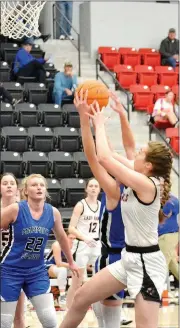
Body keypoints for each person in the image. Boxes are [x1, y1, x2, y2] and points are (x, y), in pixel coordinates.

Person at [59, 91, 173, 328]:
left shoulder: (148, 184)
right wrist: (86, 118)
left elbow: (105, 158)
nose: (136, 153)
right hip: (128, 258)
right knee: (80, 299)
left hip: (146, 263)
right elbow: (104, 154)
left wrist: (99, 123)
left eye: (142, 154)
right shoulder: (139, 176)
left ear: (149, 165)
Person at [69, 90, 135, 328]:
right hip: (122, 255)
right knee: (103, 312)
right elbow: (130, 147)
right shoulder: (140, 183)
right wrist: (122, 116)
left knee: (108, 318)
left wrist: (86, 120)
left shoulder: (117, 190)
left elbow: (93, 156)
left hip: (115, 256)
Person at [0, 173, 79, 328]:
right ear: (26, 191)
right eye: (34, 185)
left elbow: (62, 238)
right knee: (4, 322)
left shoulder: (53, 212)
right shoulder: (15, 209)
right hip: (10, 270)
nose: (39, 188)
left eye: (42, 185)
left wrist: (71, 262)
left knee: (49, 320)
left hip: (36, 271)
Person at [66, 178, 101, 309]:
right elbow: (71, 228)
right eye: (91, 186)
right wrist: (85, 238)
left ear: (99, 189)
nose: (93, 188)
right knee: (77, 282)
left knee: (99, 281)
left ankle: (99, 309)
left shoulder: (101, 205)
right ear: (86, 189)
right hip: (82, 245)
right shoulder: (81, 205)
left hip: (96, 244)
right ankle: (68, 309)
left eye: (96, 186)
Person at [0, 173, 26, 328]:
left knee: (19, 314)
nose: (9, 185)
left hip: (17, 265)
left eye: (12, 183)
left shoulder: (25, 208)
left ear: (17, 188)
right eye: (5, 183)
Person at [45, 232, 76, 308]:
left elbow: (71, 262)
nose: (72, 240)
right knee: (62, 270)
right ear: (65, 237)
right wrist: (73, 266)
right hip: (48, 265)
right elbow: (58, 263)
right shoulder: (57, 244)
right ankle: (62, 296)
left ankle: (75, 295)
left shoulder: (73, 246)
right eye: (70, 238)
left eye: (74, 239)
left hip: (63, 266)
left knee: (79, 272)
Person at [158, 193, 179, 281]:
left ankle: (158, 291)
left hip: (167, 236)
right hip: (166, 236)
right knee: (173, 265)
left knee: (161, 265)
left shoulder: (172, 201)